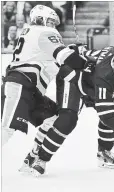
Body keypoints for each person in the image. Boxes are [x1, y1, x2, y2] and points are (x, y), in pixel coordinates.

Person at [22, 46, 114, 177]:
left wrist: (78, 49)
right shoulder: (104, 76)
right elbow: (106, 113)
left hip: (90, 83)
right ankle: (41, 158)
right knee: (67, 120)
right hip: (71, 79)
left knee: (112, 112)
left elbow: (87, 51)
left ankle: (104, 152)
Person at [1, 5, 87, 147]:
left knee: (53, 119)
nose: (54, 26)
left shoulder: (32, 32)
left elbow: (54, 58)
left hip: (29, 91)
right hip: (20, 86)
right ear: (41, 20)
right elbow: (67, 58)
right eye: (51, 21)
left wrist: (74, 51)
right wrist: (84, 61)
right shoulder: (45, 31)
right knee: (6, 129)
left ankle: (33, 158)